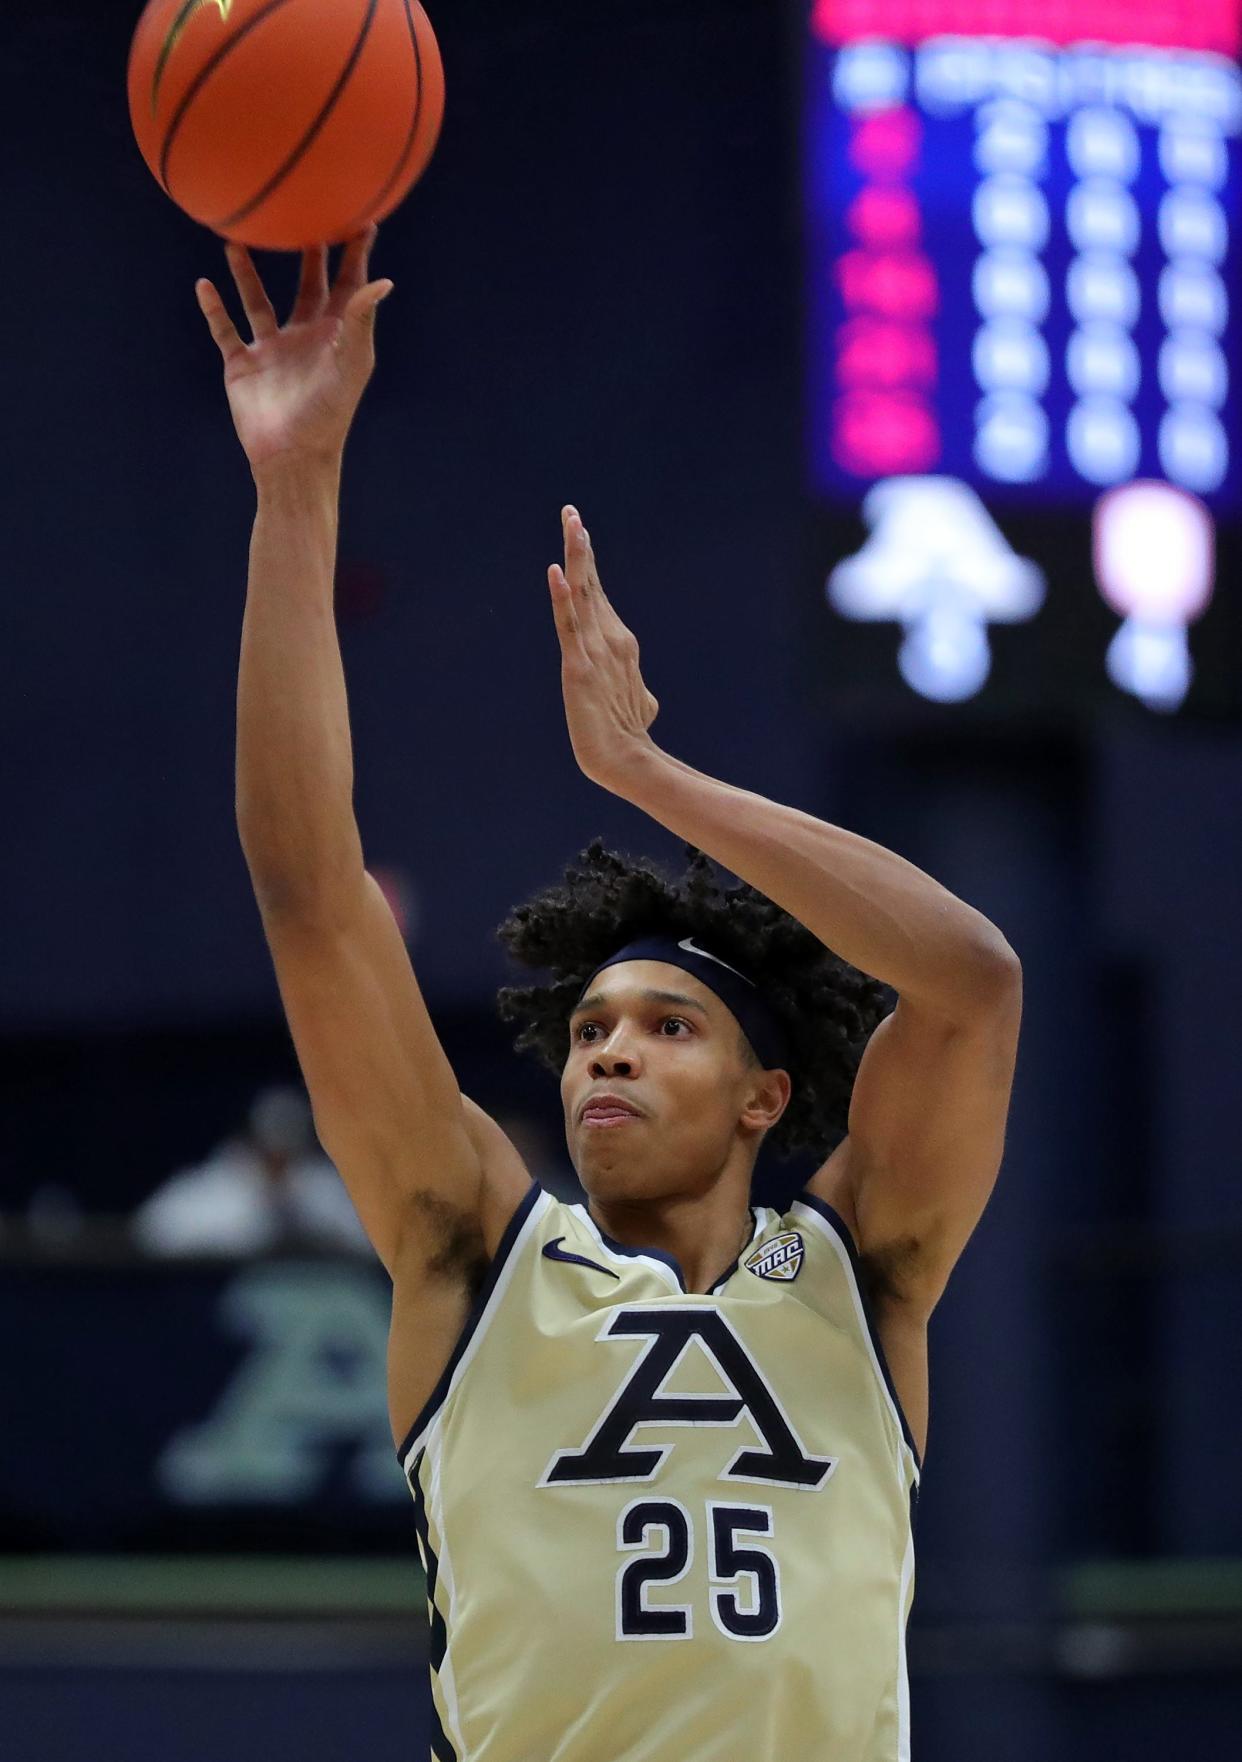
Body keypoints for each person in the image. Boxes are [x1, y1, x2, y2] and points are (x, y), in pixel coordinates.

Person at [196, 229, 1023, 1761]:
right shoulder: (473, 1246)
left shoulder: (866, 1274)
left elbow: (970, 981)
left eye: (664, 1026)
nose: (607, 1057)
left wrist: (651, 776)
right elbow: (310, 890)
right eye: (587, 1031)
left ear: (767, 1096)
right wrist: (295, 488)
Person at [132, 1084, 369, 1256]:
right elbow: (151, 1231)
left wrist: (311, 1221)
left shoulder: (322, 1183)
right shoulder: (218, 1181)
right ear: (253, 1141)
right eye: (271, 1150)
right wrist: (254, 1219)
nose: (279, 1159)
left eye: (288, 1149)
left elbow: (370, 1241)